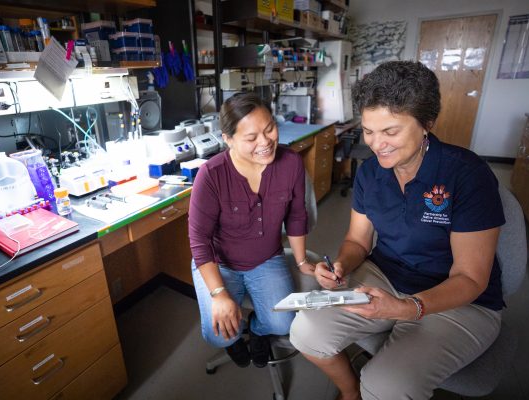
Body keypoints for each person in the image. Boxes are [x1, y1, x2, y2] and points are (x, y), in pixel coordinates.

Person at [289, 61, 505, 400]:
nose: (377, 144)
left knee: (387, 385)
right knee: (305, 332)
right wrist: (341, 265)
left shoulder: (467, 175)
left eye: (391, 131)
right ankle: (350, 392)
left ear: (427, 125)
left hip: (461, 299)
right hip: (385, 275)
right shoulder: (370, 174)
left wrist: (407, 308)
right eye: (369, 131)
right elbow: (357, 240)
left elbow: (470, 278)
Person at [189, 92, 316, 368]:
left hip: (266, 258)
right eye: (251, 138)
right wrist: (219, 294)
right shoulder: (211, 175)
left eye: (270, 128)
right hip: (220, 263)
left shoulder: (291, 163)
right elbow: (199, 241)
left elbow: (296, 215)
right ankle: (234, 340)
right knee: (219, 335)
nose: (266, 142)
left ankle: (257, 330)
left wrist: (302, 260)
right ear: (228, 139)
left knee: (282, 324)